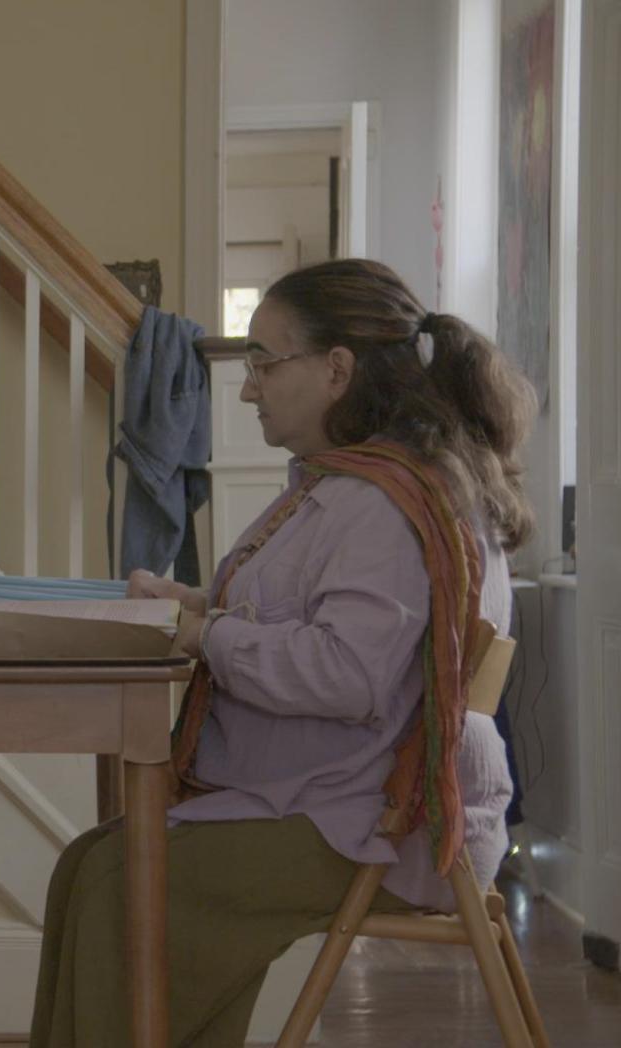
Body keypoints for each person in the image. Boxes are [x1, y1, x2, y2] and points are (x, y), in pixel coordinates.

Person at [29, 259, 535, 1047]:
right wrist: (199, 607)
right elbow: (318, 623)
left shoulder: (380, 501)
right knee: (91, 865)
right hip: (346, 799)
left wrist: (204, 633)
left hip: (373, 821)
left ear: (337, 370)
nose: (248, 386)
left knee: (124, 881)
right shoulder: (362, 488)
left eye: (266, 362)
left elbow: (347, 672)